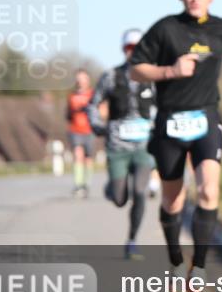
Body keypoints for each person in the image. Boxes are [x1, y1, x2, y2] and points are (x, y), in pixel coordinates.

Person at [130, 0, 222, 292]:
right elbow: (136, 69)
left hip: (207, 117)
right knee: (173, 199)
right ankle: (177, 264)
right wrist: (169, 71)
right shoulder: (166, 29)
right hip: (170, 122)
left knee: (209, 190)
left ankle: (200, 270)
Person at [88, 28, 157, 261]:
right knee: (119, 200)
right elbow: (93, 104)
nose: (133, 52)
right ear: (124, 49)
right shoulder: (110, 76)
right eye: (129, 48)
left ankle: (132, 241)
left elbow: (166, 105)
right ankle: (113, 186)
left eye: (138, 47)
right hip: (117, 147)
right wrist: (99, 127)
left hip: (144, 147)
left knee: (140, 191)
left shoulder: (153, 77)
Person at [66, 69, 96, 198]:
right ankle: (78, 184)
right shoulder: (71, 96)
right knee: (78, 155)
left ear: (87, 81)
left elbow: (99, 111)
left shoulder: (93, 94)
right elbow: (68, 114)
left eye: (83, 79)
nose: (80, 82)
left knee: (88, 158)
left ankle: (86, 184)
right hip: (75, 130)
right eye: (78, 79)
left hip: (89, 130)